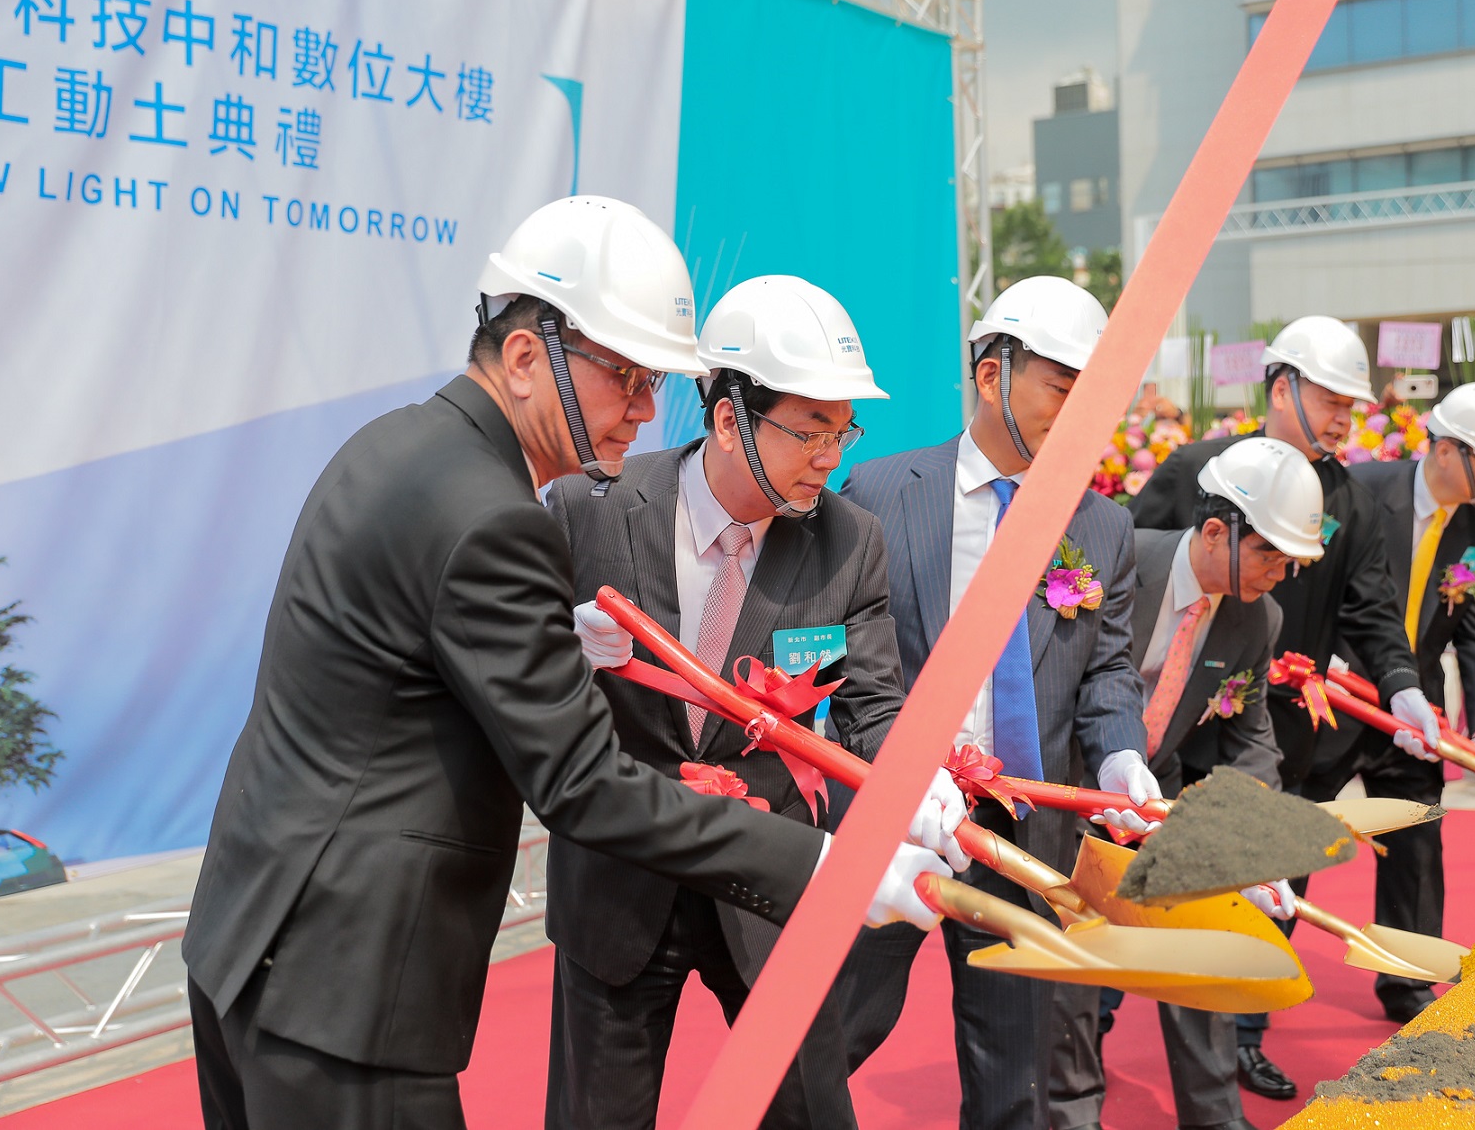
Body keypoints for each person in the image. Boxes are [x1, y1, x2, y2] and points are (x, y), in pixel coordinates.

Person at [181, 198, 951, 1130]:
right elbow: (584, 784)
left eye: (652, 380)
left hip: (256, 946)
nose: (641, 407)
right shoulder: (507, 517)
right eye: (622, 375)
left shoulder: (395, 447)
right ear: (520, 356)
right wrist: (834, 864)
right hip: (349, 985)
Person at [545, 275, 970, 1129]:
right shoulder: (590, 508)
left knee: (813, 1112)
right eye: (809, 429)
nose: (832, 455)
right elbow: (524, 691)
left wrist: (916, 778)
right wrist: (566, 651)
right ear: (730, 417)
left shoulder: (850, 543)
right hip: (620, 882)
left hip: (769, 875)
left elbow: (873, 705)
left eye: (842, 429)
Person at [834, 276, 1157, 1130]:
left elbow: (1108, 675)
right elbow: (839, 666)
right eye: (1062, 387)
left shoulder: (1101, 528)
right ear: (989, 375)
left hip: (1024, 836)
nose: (1082, 413)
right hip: (895, 825)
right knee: (826, 1042)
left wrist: (1124, 753)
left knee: (1015, 1078)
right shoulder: (879, 494)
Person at [1127, 315, 1435, 1102]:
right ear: (1280, 386)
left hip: (1276, 739)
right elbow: (1126, 567)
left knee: (1269, 896)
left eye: (1351, 407)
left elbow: (1373, 611)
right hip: (1155, 738)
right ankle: (1106, 1028)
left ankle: (1242, 1040)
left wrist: (1401, 688)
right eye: (1329, 398)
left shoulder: (1353, 503)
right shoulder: (1197, 469)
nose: (1341, 419)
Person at [1053, 437, 1327, 1130]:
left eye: (1291, 559)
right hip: (1063, 787)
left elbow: (1250, 741)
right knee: (1072, 984)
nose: (1282, 573)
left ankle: (1213, 1114)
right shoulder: (1107, 558)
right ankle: (1068, 1107)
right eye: (1270, 553)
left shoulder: (1255, 617)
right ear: (1214, 531)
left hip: (1157, 795)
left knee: (1202, 929)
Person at [1335, 381, 1475, 1022]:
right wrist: (1324, 655)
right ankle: (1246, 1016)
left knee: (1416, 841)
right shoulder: (1359, 489)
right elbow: (1311, 583)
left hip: (1413, 713)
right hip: (1335, 695)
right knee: (1294, 838)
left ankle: (1408, 981)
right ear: (1447, 449)